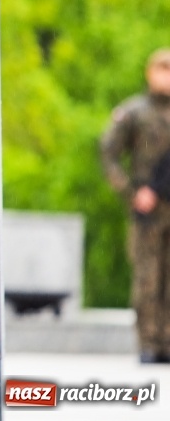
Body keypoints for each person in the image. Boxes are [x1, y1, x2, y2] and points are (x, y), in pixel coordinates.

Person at [100, 47, 170, 364]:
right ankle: (148, 344)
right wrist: (131, 192)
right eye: (162, 69)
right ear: (150, 73)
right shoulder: (135, 111)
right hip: (148, 210)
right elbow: (109, 153)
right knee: (147, 278)